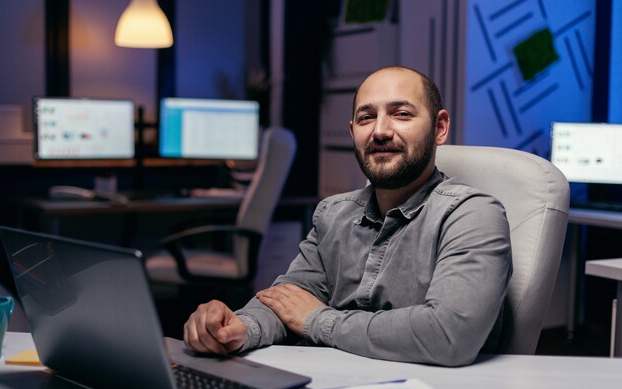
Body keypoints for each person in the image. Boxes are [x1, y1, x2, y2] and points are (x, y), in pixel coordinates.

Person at [183, 65, 512, 366]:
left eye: (401, 114)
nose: (380, 131)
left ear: (439, 128)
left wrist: (318, 320)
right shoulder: (332, 214)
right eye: (366, 118)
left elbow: (448, 335)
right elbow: (287, 299)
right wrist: (238, 327)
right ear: (353, 130)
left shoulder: (472, 215)